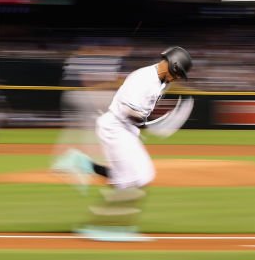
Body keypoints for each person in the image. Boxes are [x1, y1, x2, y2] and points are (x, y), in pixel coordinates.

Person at [52, 46, 193, 242]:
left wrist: (150, 122)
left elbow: (138, 115)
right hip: (116, 129)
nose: (177, 78)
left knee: (139, 176)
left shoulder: (160, 79)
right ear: (173, 66)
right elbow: (128, 111)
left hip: (126, 131)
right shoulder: (144, 79)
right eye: (179, 74)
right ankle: (103, 227)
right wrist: (151, 123)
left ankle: (82, 163)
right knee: (131, 181)